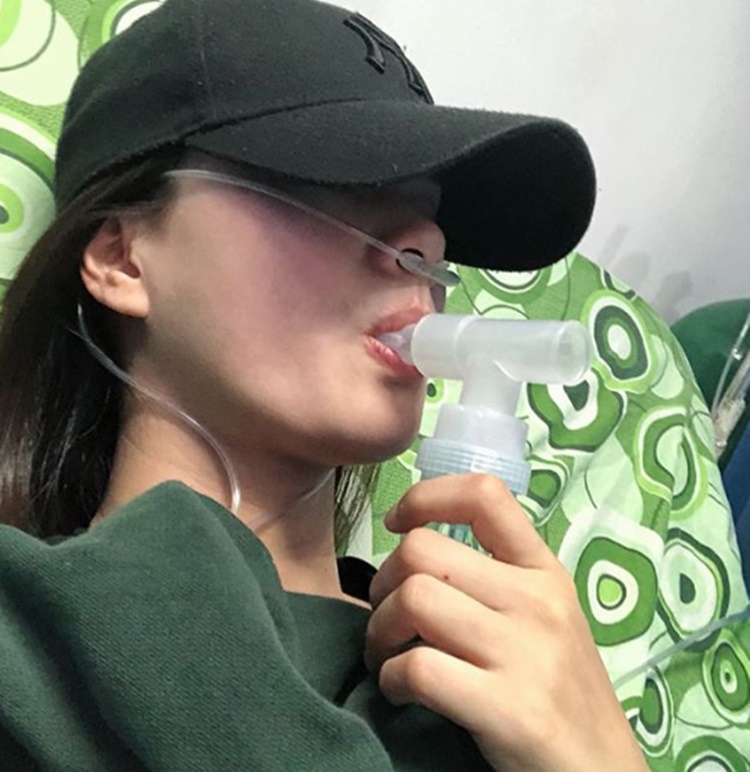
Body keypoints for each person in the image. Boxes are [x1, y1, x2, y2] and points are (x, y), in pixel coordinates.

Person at [0, 0, 649, 769]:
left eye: (430, 215)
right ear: (122, 257)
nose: (427, 244)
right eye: (326, 178)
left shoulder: (500, 675)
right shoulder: (22, 650)